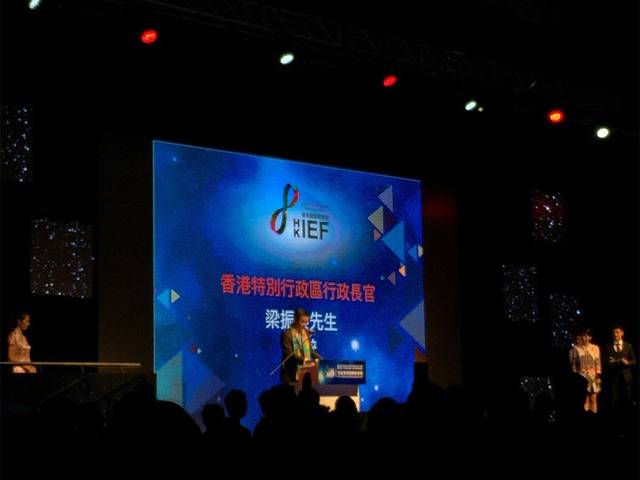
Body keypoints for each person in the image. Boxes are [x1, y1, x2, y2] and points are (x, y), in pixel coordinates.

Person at [280, 308, 322, 384]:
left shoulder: (306, 333)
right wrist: (305, 362)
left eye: (306, 322)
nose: (304, 325)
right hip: (291, 374)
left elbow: (310, 350)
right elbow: (289, 354)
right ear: (295, 319)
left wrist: (321, 360)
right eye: (302, 322)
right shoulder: (287, 334)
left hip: (305, 374)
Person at [604, 325, 636, 412]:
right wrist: (619, 361)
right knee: (613, 401)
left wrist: (628, 362)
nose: (615, 334)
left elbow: (634, 361)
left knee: (627, 399)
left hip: (626, 378)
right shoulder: (608, 347)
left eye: (617, 332)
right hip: (613, 377)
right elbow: (606, 362)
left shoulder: (628, 346)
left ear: (622, 333)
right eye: (613, 332)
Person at [569, 328, 601, 413]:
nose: (584, 338)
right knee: (584, 398)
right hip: (581, 376)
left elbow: (597, 362)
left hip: (593, 376)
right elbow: (573, 364)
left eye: (586, 336)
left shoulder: (595, 348)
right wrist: (576, 373)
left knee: (593, 398)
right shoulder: (576, 348)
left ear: (590, 337)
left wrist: (598, 375)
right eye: (583, 336)